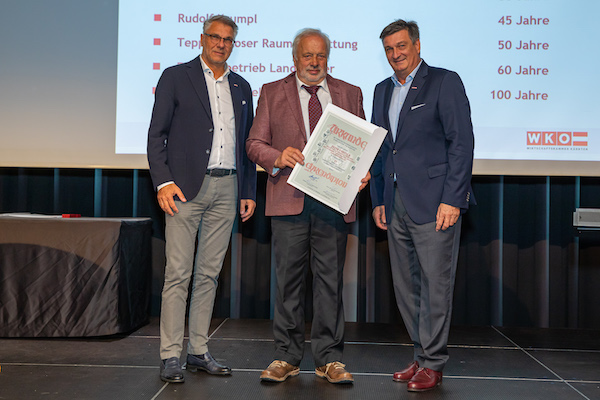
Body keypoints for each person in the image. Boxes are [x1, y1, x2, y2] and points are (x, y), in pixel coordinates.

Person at [246, 28, 369, 385]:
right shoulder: (272, 92)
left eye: (321, 55)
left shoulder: (350, 93)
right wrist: (276, 156)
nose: (314, 62)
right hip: (289, 200)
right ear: (295, 57)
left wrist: (363, 172)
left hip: (333, 202)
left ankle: (329, 359)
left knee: (330, 284)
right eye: (307, 55)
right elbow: (254, 143)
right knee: (288, 283)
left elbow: (363, 145)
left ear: (328, 58)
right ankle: (286, 357)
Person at [147, 14, 256, 383]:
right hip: (184, 189)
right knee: (178, 274)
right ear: (202, 38)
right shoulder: (176, 77)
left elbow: (247, 146)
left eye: (227, 39)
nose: (221, 44)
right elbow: (156, 135)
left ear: (233, 43)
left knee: (208, 275)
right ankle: (170, 355)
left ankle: (197, 350)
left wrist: (248, 191)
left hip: (228, 188)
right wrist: (163, 183)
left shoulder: (242, 86)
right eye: (215, 37)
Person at [370, 19, 475, 392]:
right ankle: (420, 354)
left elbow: (462, 143)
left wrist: (453, 199)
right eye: (389, 49)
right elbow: (381, 149)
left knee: (434, 286)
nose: (395, 54)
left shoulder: (444, 82)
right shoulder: (382, 90)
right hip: (395, 202)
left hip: (435, 203)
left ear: (417, 45)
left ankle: (433, 362)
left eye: (401, 46)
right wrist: (378, 199)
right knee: (406, 287)